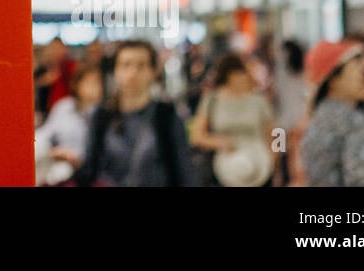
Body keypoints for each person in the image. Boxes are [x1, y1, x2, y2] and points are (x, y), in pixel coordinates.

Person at [76, 40, 197, 187]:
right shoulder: (102, 116)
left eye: (141, 66)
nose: (132, 73)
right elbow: (90, 169)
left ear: (153, 71)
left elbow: (184, 170)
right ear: (115, 71)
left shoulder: (166, 115)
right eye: (126, 65)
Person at [301, 40, 364, 187]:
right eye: (355, 69)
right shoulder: (351, 120)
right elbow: (359, 181)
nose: (362, 76)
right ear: (334, 80)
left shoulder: (318, 116)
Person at [190, 52, 276, 186]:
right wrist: (219, 142)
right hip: (226, 170)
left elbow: (276, 133)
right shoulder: (212, 100)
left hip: (260, 167)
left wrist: (276, 161)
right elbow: (196, 136)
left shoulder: (259, 100)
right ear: (230, 75)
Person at [35, 66, 104, 185]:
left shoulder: (103, 115)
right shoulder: (63, 107)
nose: (93, 87)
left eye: (96, 83)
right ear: (77, 84)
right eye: (88, 82)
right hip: (57, 164)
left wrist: (75, 158)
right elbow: (44, 134)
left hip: (86, 171)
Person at [273, 39, 309, 185]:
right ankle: (279, 177)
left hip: (297, 125)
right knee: (280, 155)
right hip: (283, 125)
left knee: (297, 162)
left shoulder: (303, 76)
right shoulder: (281, 75)